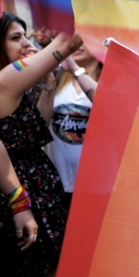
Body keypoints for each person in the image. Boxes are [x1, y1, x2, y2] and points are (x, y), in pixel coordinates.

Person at [0, 12, 81, 277]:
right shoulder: (3, 82)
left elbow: (35, 133)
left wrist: (46, 85)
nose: (25, 44)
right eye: (14, 38)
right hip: (26, 199)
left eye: (25, 36)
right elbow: (70, 41)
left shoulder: (11, 85)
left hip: (27, 196)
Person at [44, 45, 100, 210]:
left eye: (85, 39)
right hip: (58, 183)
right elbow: (39, 125)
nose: (78, 44)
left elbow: (109, 107)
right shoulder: (56, 77)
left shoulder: (113, 79)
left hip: (97, 187)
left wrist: (76, 70)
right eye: (75, 38)